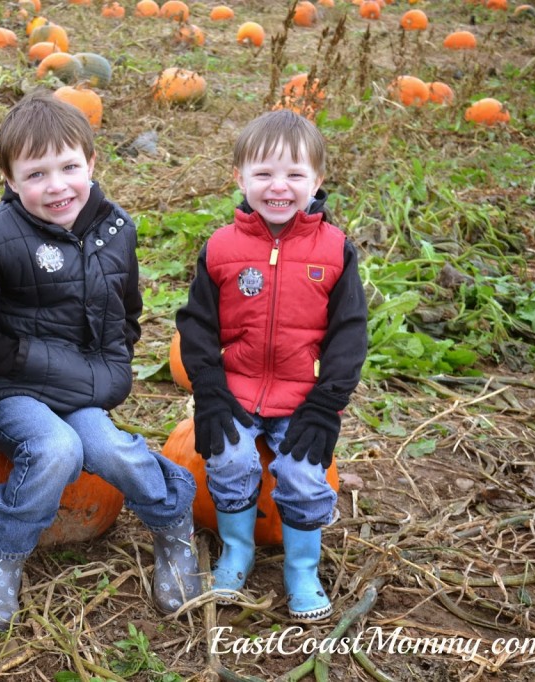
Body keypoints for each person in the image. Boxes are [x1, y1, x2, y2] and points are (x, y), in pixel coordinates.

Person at [0, 89, 201, 630]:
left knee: (109, 449)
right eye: (36, 174)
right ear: (10, 179)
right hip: (11, 389)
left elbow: (127, 312)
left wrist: (103, 369)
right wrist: (75, 375)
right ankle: (2, 555)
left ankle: (173, 526)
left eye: (69, 167)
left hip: (81, 391)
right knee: (55, 448)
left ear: (92, 163)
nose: (56, 186)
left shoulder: (117, 230)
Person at [175, 109, 367, 622]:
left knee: (305, 477)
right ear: (239, 178)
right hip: (235, 390)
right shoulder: (222, 248)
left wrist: (327, 403)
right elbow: (196, 325)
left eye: (294, 175)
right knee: (230, 461)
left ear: (317, 181)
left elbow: (350, 333)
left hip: (302, 397)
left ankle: (302, 567)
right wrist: (210, 390)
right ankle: (238, 549)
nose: (278, 187)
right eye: (263, 174)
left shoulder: (334, 251)